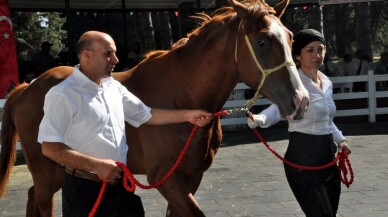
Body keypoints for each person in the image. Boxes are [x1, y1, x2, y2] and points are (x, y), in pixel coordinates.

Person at [37, 31, 214, 217]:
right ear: (87, 55)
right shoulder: (62, 94)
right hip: (84, 191)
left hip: (120, 186)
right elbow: (49, 148)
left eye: (114, 53)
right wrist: (96, 165)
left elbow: (146, 115)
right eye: (108, 54)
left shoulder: (112, 86)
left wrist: (188, 116)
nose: (115, 59)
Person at [247, 29, 351, 217]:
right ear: (297, 55)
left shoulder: (326, 82)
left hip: (328, 160)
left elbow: (326, 119)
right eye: (310, 50)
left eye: (320, 49)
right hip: (303, 160)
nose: (317, 55)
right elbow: (278, 108)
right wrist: (261, 118)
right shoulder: (293, 82)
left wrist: (340, 140)